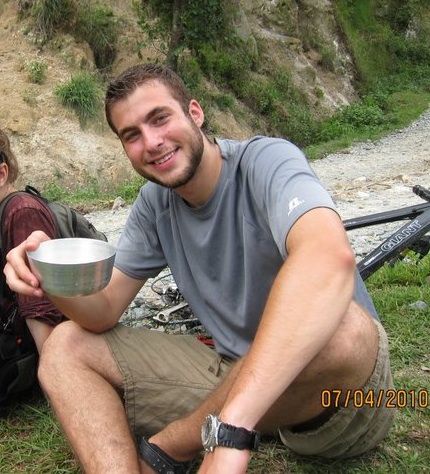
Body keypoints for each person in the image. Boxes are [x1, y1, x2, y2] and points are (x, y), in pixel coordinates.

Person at [4, 64, 395, 474]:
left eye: (160, 118)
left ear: (195, 112)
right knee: (64, 346)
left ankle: (173, 445)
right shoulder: (154, 204)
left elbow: (327, 257)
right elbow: (102, 311)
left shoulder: (266, 160)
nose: (151, 142)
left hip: (337, 399)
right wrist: (48, 272)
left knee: (345, 328)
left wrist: (229, 428)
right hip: (232, 374)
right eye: (131, 135)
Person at [0, 128, 64, 354]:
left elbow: (42, 314)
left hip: (36, 353)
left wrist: (51, 366)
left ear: (1, 174)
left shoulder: (22, 213)